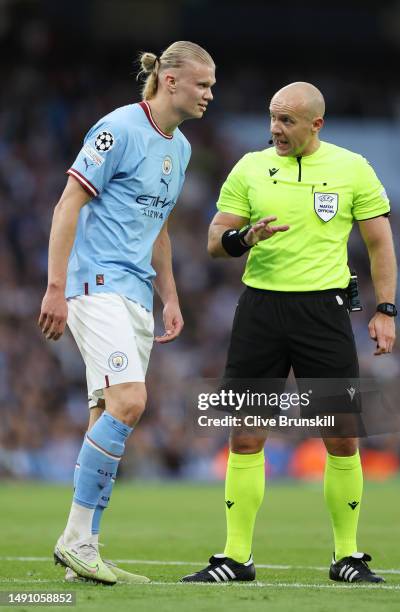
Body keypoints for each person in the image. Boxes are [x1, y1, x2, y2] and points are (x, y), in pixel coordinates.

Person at [181, 82, 397, 584]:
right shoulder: (250, 168)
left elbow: (380, 243)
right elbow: (216, 241)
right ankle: (236, 558)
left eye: (287, 120)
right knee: (244, 434)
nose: (275, 129)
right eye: (272, 118)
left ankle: (348, 555)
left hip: (324, 314)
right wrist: (243, 238)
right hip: (260, 311)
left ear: (316, 124)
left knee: (342, 437)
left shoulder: (353, 168)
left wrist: (385, 309)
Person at [38, 41, 215, 585]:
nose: (210, 94)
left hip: (136, 296)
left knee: (106, 415)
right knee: (131, 399)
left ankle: (81, 547)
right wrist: (53, 287)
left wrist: (170, 297)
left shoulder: (179, 149)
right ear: (170, 81)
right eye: (203, 84)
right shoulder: (117, 129)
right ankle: (77, 543)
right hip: (95, 285)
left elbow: (158, 229)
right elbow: (69, 203)